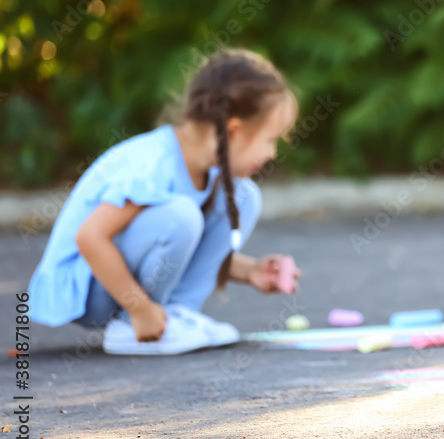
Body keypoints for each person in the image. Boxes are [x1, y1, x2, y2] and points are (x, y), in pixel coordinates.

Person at [27, 49, 301, 355]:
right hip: (88, 289)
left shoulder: (207, 172)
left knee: (242, 196)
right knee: (181, 216)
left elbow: (168, 247)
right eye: (270, 139)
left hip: (119, 280)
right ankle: (135, 325)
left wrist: (250, 271)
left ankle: (177, 314)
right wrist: (139, 307)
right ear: (233, 132)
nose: (273, 153)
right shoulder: (152, 166)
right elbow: (90, 238)